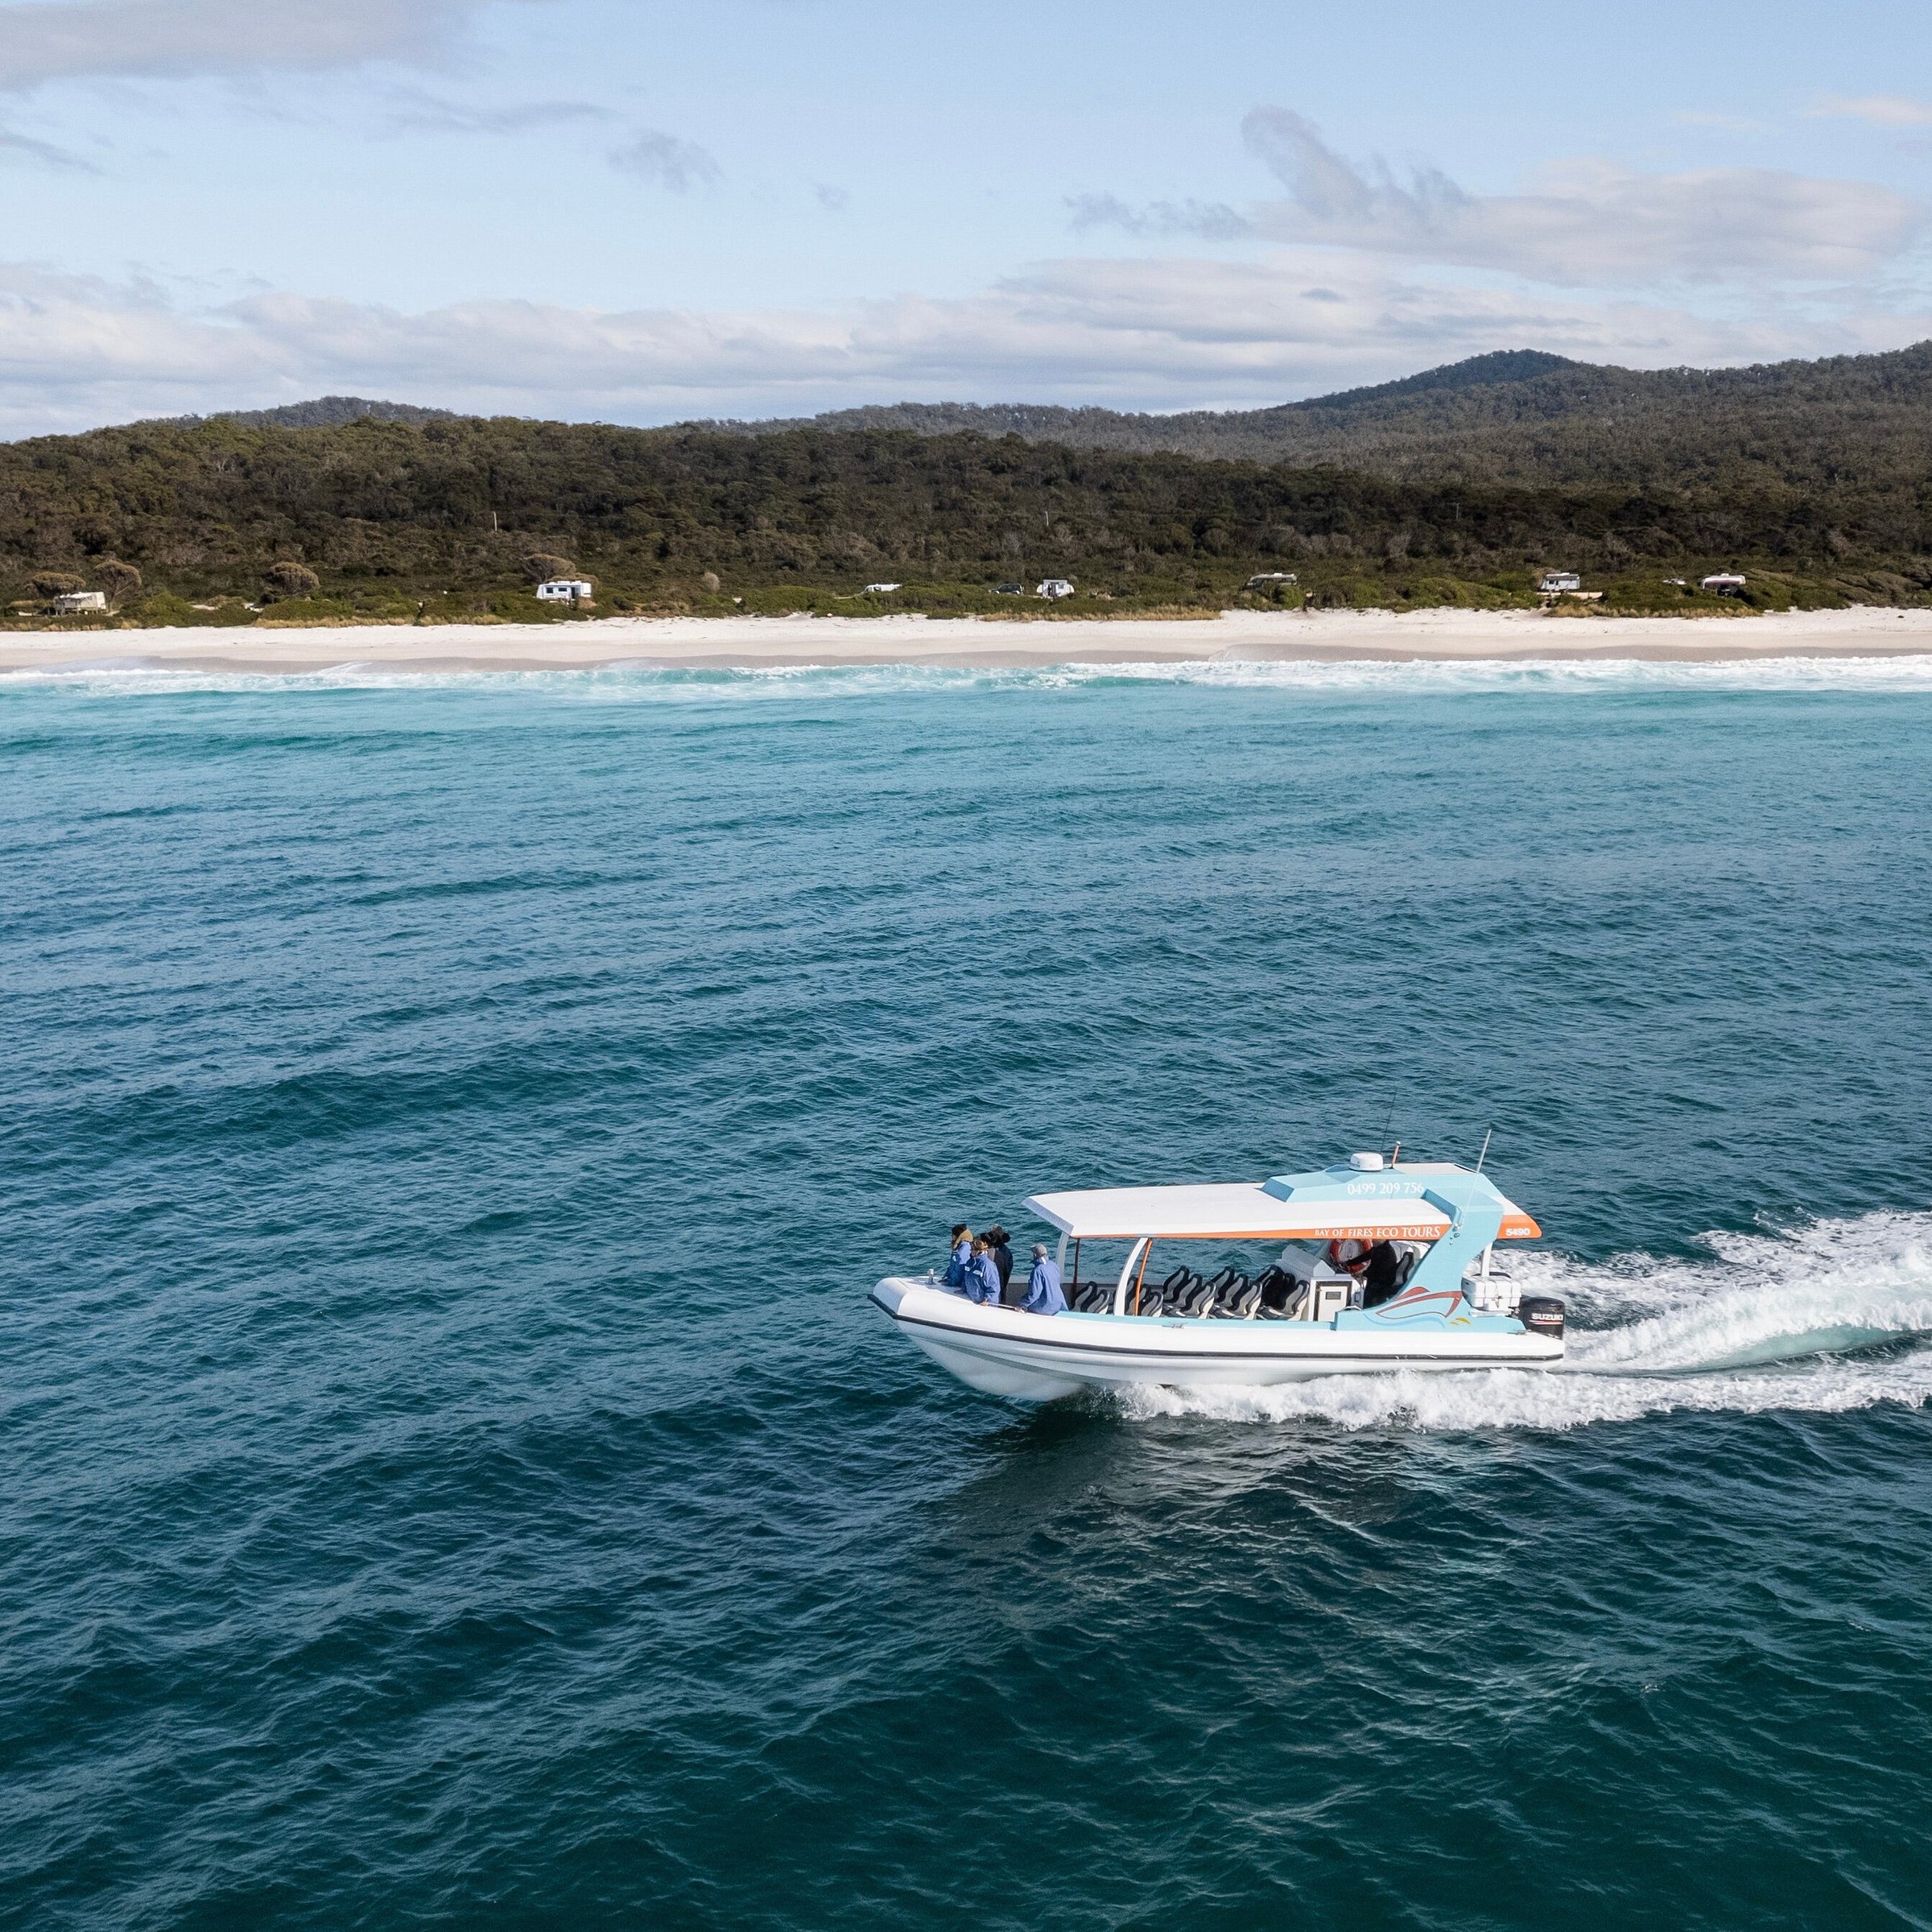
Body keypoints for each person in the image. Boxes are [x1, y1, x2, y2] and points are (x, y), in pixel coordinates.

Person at [1021, 1242, 1066, 1315]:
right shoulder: (1054, 1265)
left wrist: (1021, 1304)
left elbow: (1034, 1294)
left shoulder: (1038, 1270)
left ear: (1035, 1255)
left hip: (1046, 1307)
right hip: (1059, 1304)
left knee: (1024, 1307)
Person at [1359, 1240, 1404, 1307]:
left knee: (1367, 1300)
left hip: (1380, 1283)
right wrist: (1348, 1263)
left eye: (1374, 1240)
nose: (1372, 1241)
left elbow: (1379, 1270)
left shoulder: (1387, 1253)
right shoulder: (1378, 1250)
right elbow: (1364, 1257)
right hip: (1375, 1281)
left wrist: (1364, 1274)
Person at [967, 1235, 1002, 1306]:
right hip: (972, 1300)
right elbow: (967, 1277)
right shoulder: (970, 1262)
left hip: (985, 1303)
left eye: (975, 1250)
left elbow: (993, 1286)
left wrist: (988, 1300)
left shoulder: (987, 1265)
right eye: (972, 1249)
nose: (973, 1251)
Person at [985, 1225, 1017, 1304]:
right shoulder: (1005, 1250)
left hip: (999, 1279)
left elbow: (1005, 1269)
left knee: (1000, 1296)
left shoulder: (1001, 1252)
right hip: (1001, 1279)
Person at [942, 1224, 973, 1290]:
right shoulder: (959, 1247)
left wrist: (951, 1283)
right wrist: (946, 1278)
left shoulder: (964, 1249)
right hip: (954, 1281)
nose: (951, 1236)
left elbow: (960, 1269)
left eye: (953, 1234)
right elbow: (952, 1266)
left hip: (959, 1284)